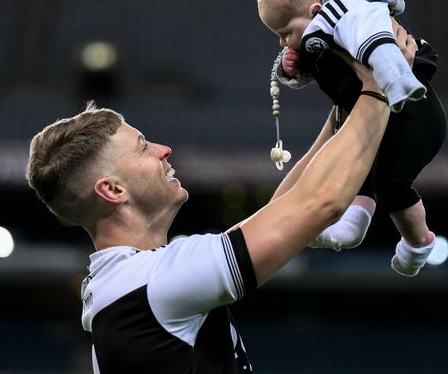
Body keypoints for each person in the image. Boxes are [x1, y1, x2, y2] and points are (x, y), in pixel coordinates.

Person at [25, 53, 391, 372]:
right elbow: (320, 203)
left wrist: (342, 110)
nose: (163, 149)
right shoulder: (153, 284)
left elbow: (283, 211)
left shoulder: (128, 284)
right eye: (143, 148)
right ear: (113, 190)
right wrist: (379, 84)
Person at [257, 0, 448, 276]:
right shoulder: (321, 33)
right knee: (359, 165)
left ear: (315, 12)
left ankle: (419, 243)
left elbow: (380, 46)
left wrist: (396, 81)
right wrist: (293, 71)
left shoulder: (352, 14)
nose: (282, 42)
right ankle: (354, 223)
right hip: (371, 111)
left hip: (411, 112)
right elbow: (319, 67)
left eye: (286, 32)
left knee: (390, 184)